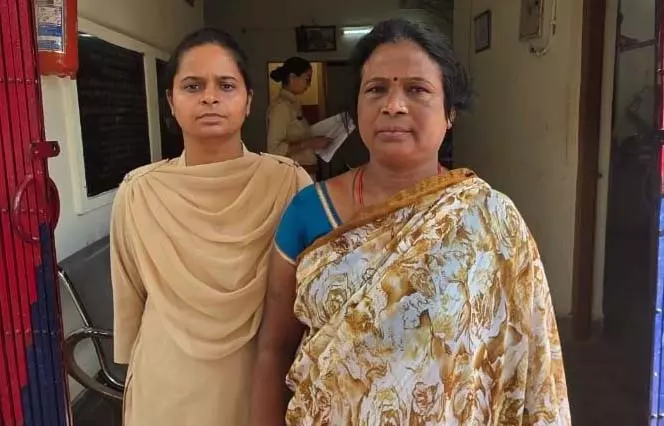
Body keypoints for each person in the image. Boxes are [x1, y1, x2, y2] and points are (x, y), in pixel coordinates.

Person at [251, 18, 571, 425]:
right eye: (376, 89)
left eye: (417, 89)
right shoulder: (309, 211)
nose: (394, 105)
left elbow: (531, 362)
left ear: (450, 112)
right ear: (357, 109)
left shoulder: (490, 220)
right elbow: (274, 348)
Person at [110, 28, 311, 426]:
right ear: (171, 101)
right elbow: (130, 300)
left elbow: (308, 295)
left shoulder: (288, 182)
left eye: (226, 85)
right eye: (192, 86)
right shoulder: (139, 191)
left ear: (248, 100)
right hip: (166, 387)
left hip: (260, 384)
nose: (209, 97)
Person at [267, 57, 331, 177]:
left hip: (304, 174)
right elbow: (274, 150)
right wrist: (309, 143)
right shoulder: (281, 107)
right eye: (307, 79)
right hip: (293, 176)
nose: (309, 85)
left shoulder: (294, 105)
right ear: (292, 77)